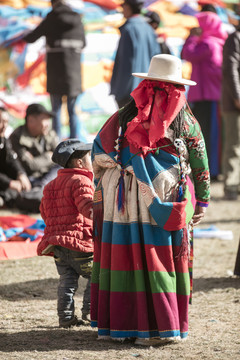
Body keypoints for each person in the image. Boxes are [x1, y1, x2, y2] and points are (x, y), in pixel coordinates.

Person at [91, 54, 210, 345]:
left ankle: (123, 326)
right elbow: (200, 163)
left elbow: (98, 149)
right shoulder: (186, 121)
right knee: (160, 259)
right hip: (164, 197)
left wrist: (123, 168)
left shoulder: (123, 114)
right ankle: (160, 328)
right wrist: (203, 201)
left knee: (127, 256)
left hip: (123, 198)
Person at [38, 139, 94, 328]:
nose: (91, 161)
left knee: (67, 282)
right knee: (97, 275)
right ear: (79, 163)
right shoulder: (81, 180)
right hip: (79, 243)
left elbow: (45, 213)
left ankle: (66, 318)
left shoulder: (50, 185)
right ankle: (90, 313)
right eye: (89, 157)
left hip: (58, 245)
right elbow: (88, 208)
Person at [23, 0, 86, 140]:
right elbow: (84, 43)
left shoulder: (51, 19)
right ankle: (75, 142)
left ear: (53, 4)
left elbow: (32, 37)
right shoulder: (77, 19)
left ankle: (56, 143)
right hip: (74, 75)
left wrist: (19, 35)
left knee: (55, 110)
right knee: (73, 111)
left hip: (55, 73)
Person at [181, 11, 228, 179]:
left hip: (208, 97)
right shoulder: (215, 42)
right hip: (207, 96)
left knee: (208, 135)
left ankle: (211, 171)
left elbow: (187, 54)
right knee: (207, 135)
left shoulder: (208, 44)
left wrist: (192, 38)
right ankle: (211, 170)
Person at [110, 0, 159, 109]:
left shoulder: (129, 29)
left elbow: (125, 62)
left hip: (128, 90)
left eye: (123, 7)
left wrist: (120, 91)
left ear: (128, 7)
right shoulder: (148, 29)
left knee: (128, 124)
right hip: (146, 88)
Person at [10, 103, 59, 191]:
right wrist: (49, 156)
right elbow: (30, 166)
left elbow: (61, 156)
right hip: (32, 179)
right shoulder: (17, 137)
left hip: (50, 174)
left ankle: (44, 187)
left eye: (48, 120)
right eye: (44, 120)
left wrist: (43, 159)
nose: (48, 124)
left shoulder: (48, 132)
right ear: (31, 120)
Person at [0, 107, 33, 209]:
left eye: (6, 122)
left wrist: (21, 174)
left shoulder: (3, 140)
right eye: (1, 122)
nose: (4, 126)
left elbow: (11, 159)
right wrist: (9, 183)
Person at [221, 23, 240, 200]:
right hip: (234, 103)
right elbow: (230, 69)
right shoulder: (235, 38)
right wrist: (237, 97)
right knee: (234, 146)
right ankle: (231, 187)